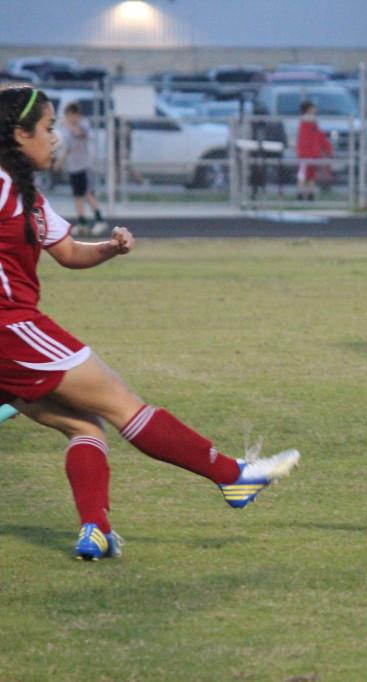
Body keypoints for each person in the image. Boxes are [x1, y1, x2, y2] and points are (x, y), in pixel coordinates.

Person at [0, 85, 300, 561]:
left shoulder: (28, 197)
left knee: (86, 427)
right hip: (11, 329)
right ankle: (233, 477)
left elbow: (70, 253)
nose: (57, 138)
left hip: (12, 336)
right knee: (122, 403)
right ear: (17, 134)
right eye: (49, 128)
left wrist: (109, 249)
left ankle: (95, 531)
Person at [55, 102, 105, 236]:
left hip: (84, 167)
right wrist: (60, 162)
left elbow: (80, 134)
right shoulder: (66, 128)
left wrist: (68, 124)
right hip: (73, 167)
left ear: (75, 115)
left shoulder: (83, 124)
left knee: (88, 195)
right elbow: (67, 147)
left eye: (71, 115)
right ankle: (82, 222)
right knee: (77, 196)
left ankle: (100, 220)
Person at [295, 100, 333, 201]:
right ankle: (302, 193)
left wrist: (327, 148)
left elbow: (320, 137)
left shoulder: (313, 124)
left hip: (311, 153)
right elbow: (318, 138)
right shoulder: (306, 123)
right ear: (307, 110)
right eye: (312, 108)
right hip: (306, 153)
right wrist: (327, 148)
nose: (315, 110)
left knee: (309, 174)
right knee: (304, 174)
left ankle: (309, 194)